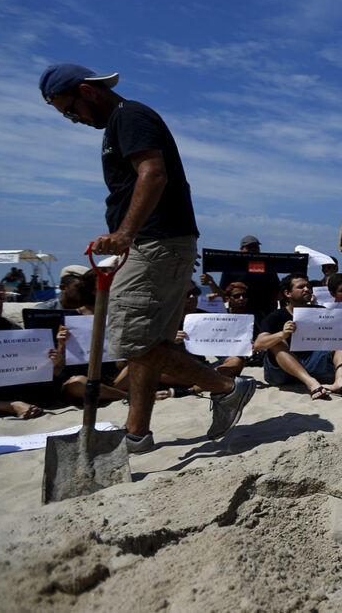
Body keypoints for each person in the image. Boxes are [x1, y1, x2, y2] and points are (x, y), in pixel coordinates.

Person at [40, 63, 254, 454]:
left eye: (70, 110)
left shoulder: (130, 116)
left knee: (130, 338)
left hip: (153, 242)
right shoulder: (119, 124)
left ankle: (228, 388)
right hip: (159, 242)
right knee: (152, 341)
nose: (73, 120)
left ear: (87, 92)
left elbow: (153, 174)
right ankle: (137, 433)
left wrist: (125, 233)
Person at [253, 273, 342, 399]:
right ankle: (310, 382)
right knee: (277, 343)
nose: (307, 289)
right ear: (288, 293)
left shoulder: (320, 310)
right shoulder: (276, 316)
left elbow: (337, 335)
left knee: (341, 334)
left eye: (308, 286)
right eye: (301, 287)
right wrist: (282, 334)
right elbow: (258, 344)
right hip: (284, 370)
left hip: (315, 363)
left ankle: (339, 381)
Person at [0, 280, 64, 420]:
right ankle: (8, 406)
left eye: (0, 297)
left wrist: (51, 364)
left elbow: (27, 371)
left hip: (4, 388)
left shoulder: (9, 329)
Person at [200, 236, 283, 319]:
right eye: (249, 247)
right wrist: (211, 284)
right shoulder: (231, 268)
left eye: (256, 247)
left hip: (265, 315)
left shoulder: (268, 268)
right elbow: (223, 296)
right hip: (240, 315)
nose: (253, 249)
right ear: (241, 249)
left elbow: (278, 293)